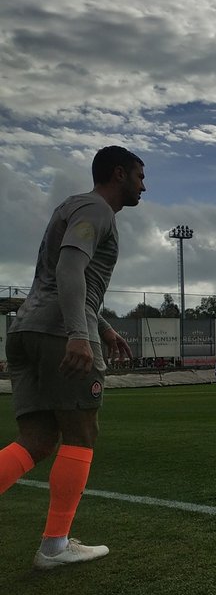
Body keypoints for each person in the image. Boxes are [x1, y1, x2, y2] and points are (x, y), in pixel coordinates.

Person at [0, 146, 141, 569]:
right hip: (59, 332)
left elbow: (64, 280)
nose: (144, 185)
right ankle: (55, 545)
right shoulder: (98, 209)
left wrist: (103, 327)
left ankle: (56, 544)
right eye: (139, 176)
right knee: (82, 433)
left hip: (26, 329)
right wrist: (80, 334)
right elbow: (68, 270)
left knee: (38, 440)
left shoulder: (72, 206)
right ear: (119, 174)